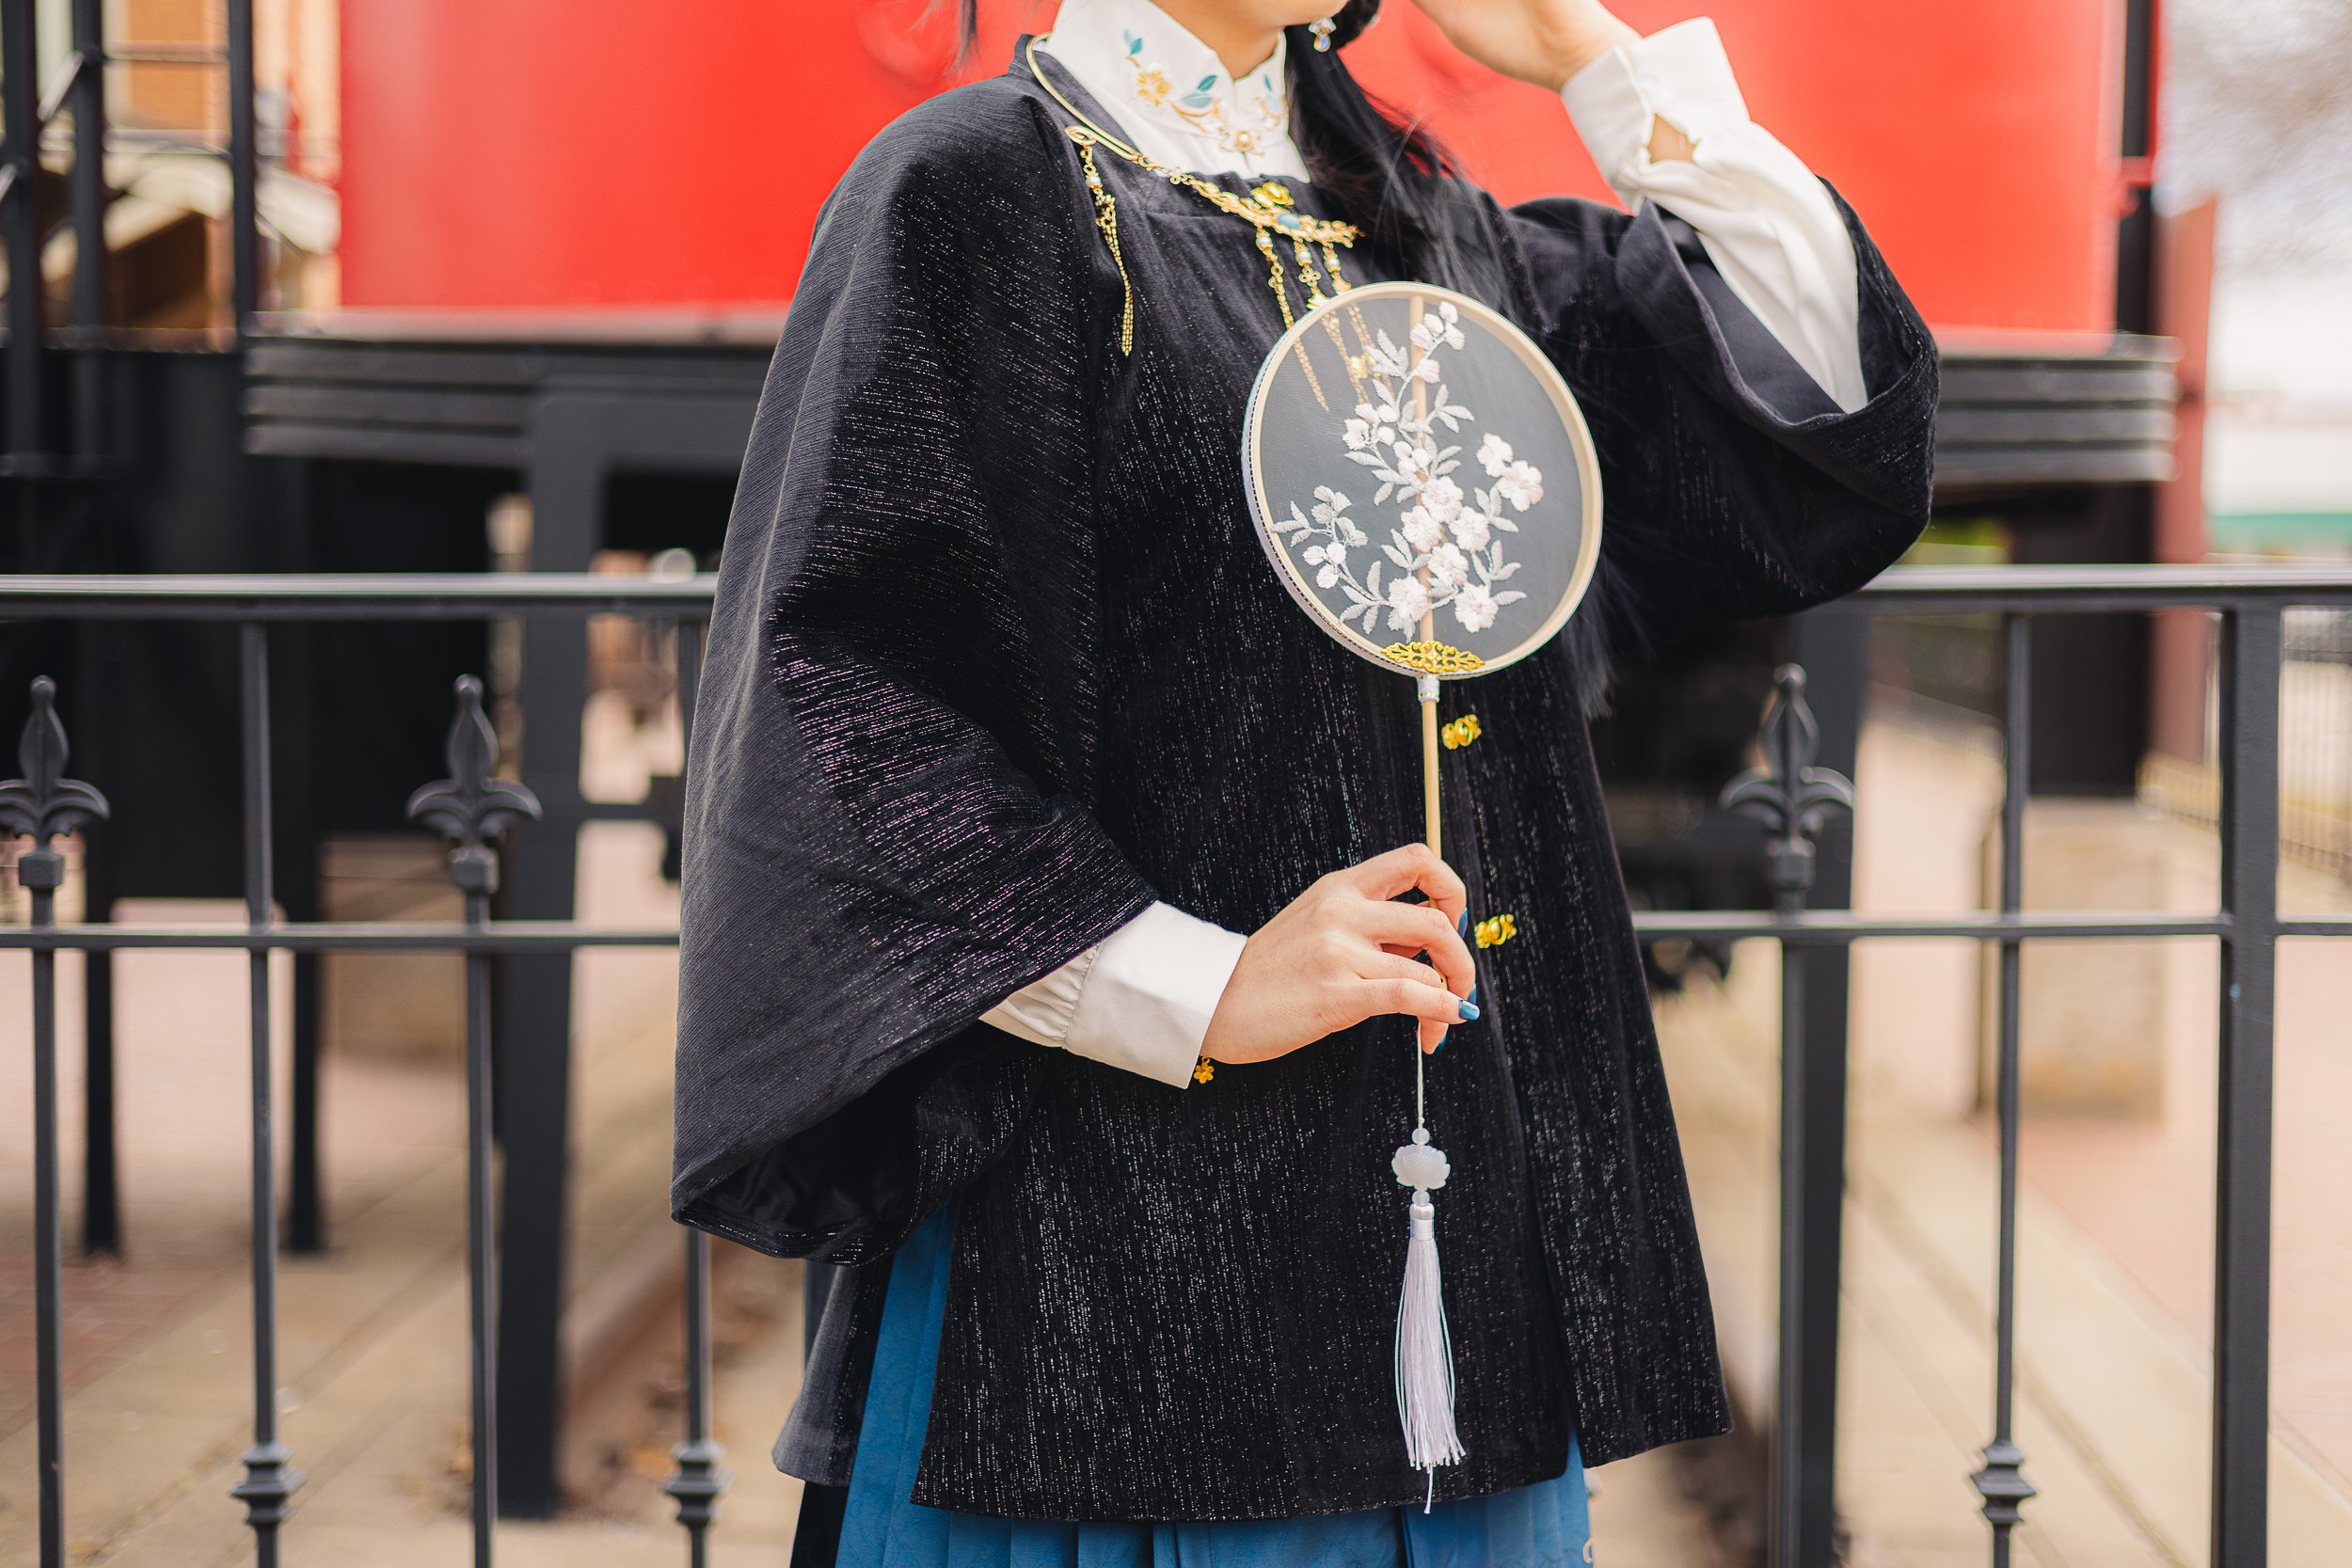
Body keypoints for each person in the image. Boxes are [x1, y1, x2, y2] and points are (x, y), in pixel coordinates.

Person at [673, 0, 1937, 1561]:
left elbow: (1809, 438)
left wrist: (1603, 63)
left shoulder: (1424, 217)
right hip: (1115, 1278)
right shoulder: (979, 186)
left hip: (1468, 1255)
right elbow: (842, 695)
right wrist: (1192, 985)